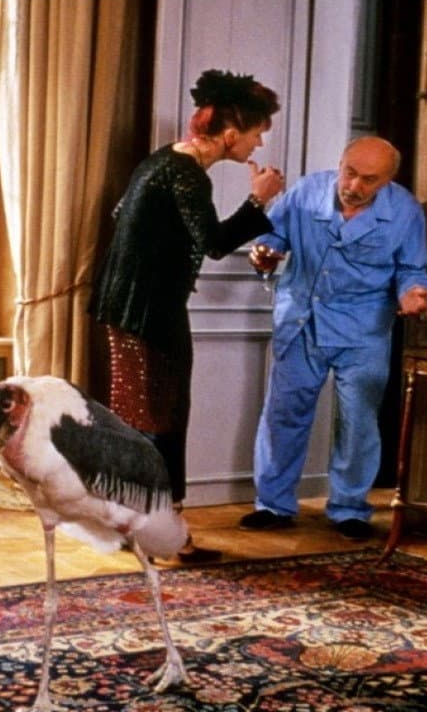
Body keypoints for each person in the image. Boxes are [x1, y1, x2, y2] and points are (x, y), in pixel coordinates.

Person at [89, 69, 286, 563]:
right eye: (257, 132)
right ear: (231, 133)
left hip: (125, 308)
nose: (260, 143)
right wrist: (258, 199)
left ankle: (132, 526)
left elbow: (124, 217)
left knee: (137, 419)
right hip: (150, 313)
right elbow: (215, 243)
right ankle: (170, 536)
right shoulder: (186, 173)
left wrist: (166, 260)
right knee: (163, 420)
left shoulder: (160, 161)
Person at [240, 136, 427, 541]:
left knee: (358, 421)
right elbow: (272, 238)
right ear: (340, 164)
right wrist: (265, 254)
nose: (354, 186)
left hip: (363, 328)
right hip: (302, 320)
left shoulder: (405, 211)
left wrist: (414, 293)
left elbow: (412, 269)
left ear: (388, 181)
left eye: (369, 180)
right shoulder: (307, 191)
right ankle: (272, 505)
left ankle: (350, 508)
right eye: (350, 173)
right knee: (283, 415)